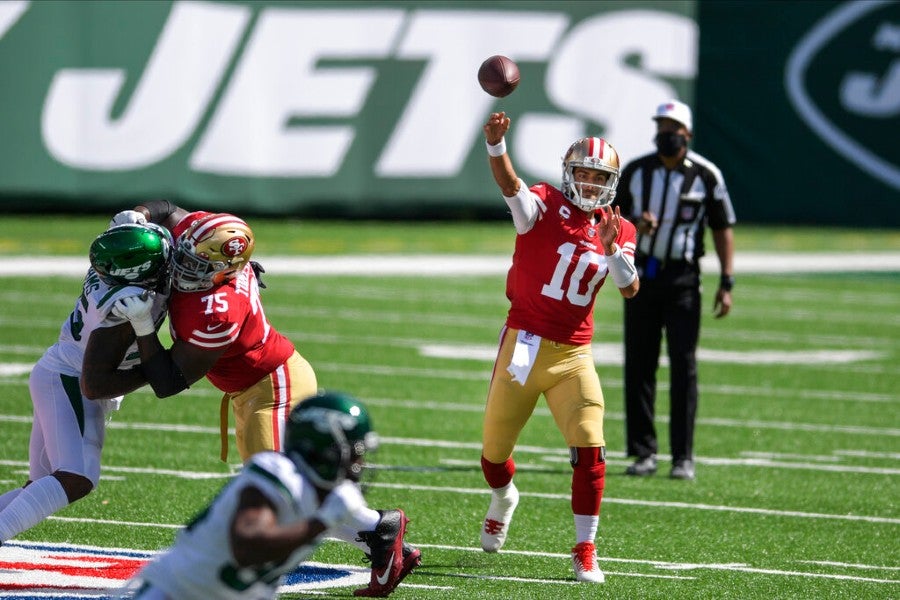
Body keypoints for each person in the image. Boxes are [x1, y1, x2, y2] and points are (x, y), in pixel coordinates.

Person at [107, 202, 420, 596]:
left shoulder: (217, 311)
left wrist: (141, 329)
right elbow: (167, 209)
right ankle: (379, 533)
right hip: (250, 388)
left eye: (198, 265)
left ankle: (379, 529)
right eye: (184, 257)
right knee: (283, 490)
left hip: (272, 386)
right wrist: (138, 215)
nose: (184, 269)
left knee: (280, 492)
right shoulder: (205, 237)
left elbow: (168, 382)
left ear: (227, 270)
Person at [478, 111, 639, 583]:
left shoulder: (618, 227)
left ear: (612, 182)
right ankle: (505, 495)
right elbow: (511, 188)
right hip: (524, 344)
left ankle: (585, 548)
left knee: (591, 447)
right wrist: (496, 146)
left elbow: (630, 289)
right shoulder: (544, 204)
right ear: (569, 174)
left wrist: (610, 250)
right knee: (493, 453)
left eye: (599, 177)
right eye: (584, 174)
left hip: (573, 354)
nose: (590, 184)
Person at [119, 390, 408, 599]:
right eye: (355, 452)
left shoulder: (322, 494)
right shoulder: (277, 473)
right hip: (177, 591)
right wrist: (322, 521)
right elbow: (247, 548)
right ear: (326, 450)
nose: (360, 464)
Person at [0, 222, 173, 546]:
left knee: (39, 486)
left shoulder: (120, 263)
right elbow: (95, 383)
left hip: (58, 371)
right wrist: (162, 370)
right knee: (77, 478)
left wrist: (134, 215)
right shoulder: (125, 299)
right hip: (70, 380)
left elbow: (150, 220)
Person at [612, 99, 736, 481]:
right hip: (642, 276)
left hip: (683, 278)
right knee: (640, 363)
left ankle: (683, 455)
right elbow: (607, 222)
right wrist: (635, 226)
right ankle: (644, 451)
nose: (666, 135)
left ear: (688, 134)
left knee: (684, 366)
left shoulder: (706, 175)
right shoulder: (635, 172)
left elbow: (722, 226)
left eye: (673, 129)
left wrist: (726, 280)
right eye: (661, 127)